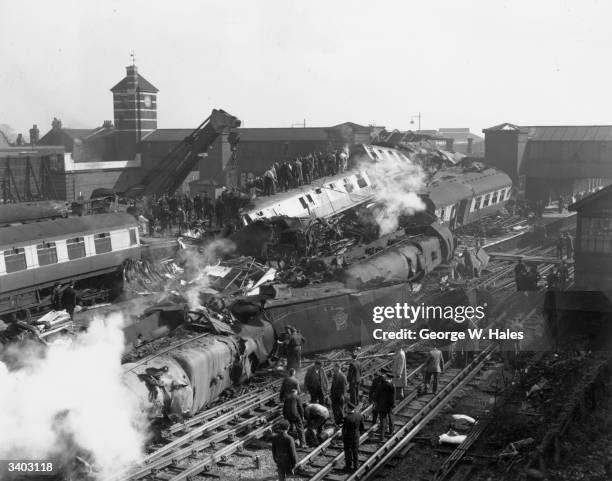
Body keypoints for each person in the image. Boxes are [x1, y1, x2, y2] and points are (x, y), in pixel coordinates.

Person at [342, 402, 365, 472]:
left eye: (346, 408)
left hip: (348, 438)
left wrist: (343, 438)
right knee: (355, 451)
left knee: (348, 452)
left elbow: (344, 430)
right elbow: (362, 427)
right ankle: (356, 466)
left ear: (348, 409)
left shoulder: (346, 418)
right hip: (356, 436)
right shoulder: (360, 416)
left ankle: (348, 466)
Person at [373, 377, 395, 441]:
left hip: (381, 406)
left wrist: (375, 402)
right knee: (391, 418)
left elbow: (376, 396)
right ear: (390, 379)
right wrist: (393, 405)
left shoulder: (380, 386)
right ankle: (391, 432)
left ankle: (382, 437)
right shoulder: (392, 386)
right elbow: (393, 397)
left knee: (382, 421)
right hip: (389, 406)